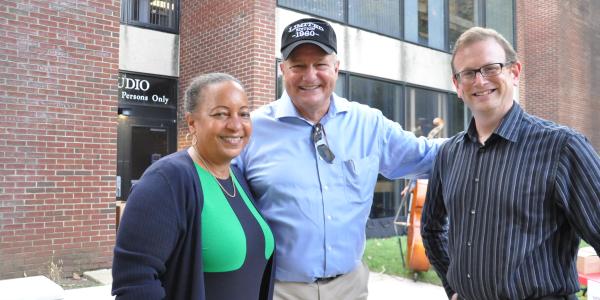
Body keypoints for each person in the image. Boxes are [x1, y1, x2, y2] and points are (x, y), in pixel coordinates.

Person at [234, 18, 442, 300]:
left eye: (320, 64)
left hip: (350, 288)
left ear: (336, 68)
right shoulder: (251, 130)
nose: (310, 76)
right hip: (279, 290)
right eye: (298, 66)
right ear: (282, 70)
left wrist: (487, 136)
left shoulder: (368, 124)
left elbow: (428, 155)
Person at [421, 27, 600, 300]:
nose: (480, 81)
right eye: (468, 73)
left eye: (491, 68)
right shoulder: (449, 154)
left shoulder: (562, 148)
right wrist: (454, 288)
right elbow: (432, 229)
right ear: (457, 85)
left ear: (514, 72)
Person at [112, 73, 275, 300]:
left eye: (244, 114)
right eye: (221, 114)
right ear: (192, 123)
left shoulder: (238, 177)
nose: (236, 124)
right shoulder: (166, 180)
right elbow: (135, 282)